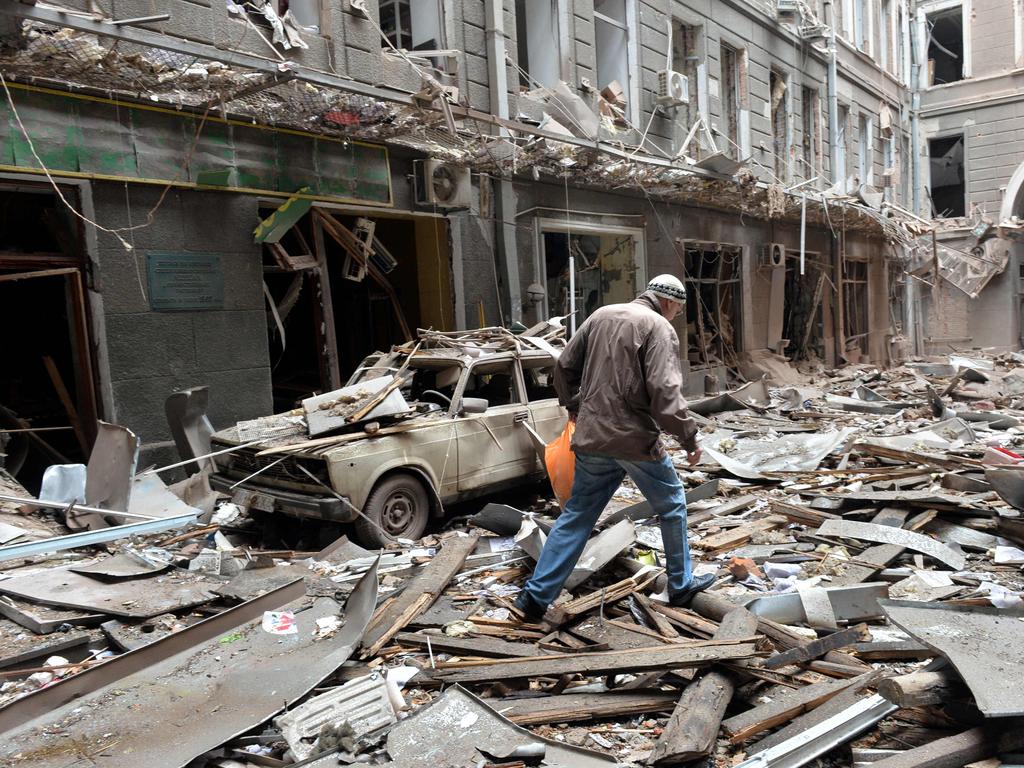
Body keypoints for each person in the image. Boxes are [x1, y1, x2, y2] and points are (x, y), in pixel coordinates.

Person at [515, 274, 713, 621]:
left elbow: (563, 366)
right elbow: (665, 391)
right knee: (672, 505)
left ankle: (534, 598)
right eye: (678, 310)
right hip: (633, 439)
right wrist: (689, 437)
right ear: (669, 302)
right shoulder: (658, 326)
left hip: (593, 436)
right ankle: (681, 585)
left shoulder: (600, 315)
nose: (675, 316)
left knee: (577, 516)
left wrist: (574, 404)